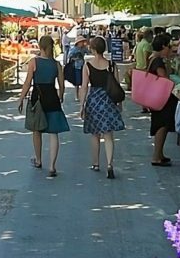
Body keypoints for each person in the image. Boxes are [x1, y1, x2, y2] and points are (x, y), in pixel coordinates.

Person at [18, 35, 69, 177]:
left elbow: (28, 83)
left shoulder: (34, 62)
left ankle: (39, 160)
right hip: (52, 97)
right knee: (54, 133)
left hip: (38, 98)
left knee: (36, 130)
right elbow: (62, 84)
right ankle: (52, 166)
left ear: (40, 46)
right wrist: (61, 96)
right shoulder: (56, 64)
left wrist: (21, 98)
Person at [80, 36, 125, 179]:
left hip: (94, 100)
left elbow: (84, 87)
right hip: (108, 100)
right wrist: (120, 103)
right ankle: (110, 164)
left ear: (92, 49)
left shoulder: (87, 65)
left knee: (95, 134)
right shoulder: (111, 65)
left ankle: (95, 163)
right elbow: (117, 86)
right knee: (108, 135)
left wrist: (82, 105)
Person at [147, 34, 178, 167]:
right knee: (162, 125)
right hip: (160, 98)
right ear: (163, 46)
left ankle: (159, 154)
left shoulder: (154, 58)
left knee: (162, 125)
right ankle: (156, 156)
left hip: (157, 97)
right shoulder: (158, 61)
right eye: (169, 46)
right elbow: (164, 78)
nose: (170, 49)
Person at [66, 36, 89, 101]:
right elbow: (69, 57)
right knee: (77, 82)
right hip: (76, 66)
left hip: (82, 66)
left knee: (83, 82)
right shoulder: (74, 49)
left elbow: (89, 52)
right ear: (78, 42)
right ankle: (76, 95)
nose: (82, 43)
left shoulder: (83, 49)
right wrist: (75, 58)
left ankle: (82, 95)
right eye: (81, 42)